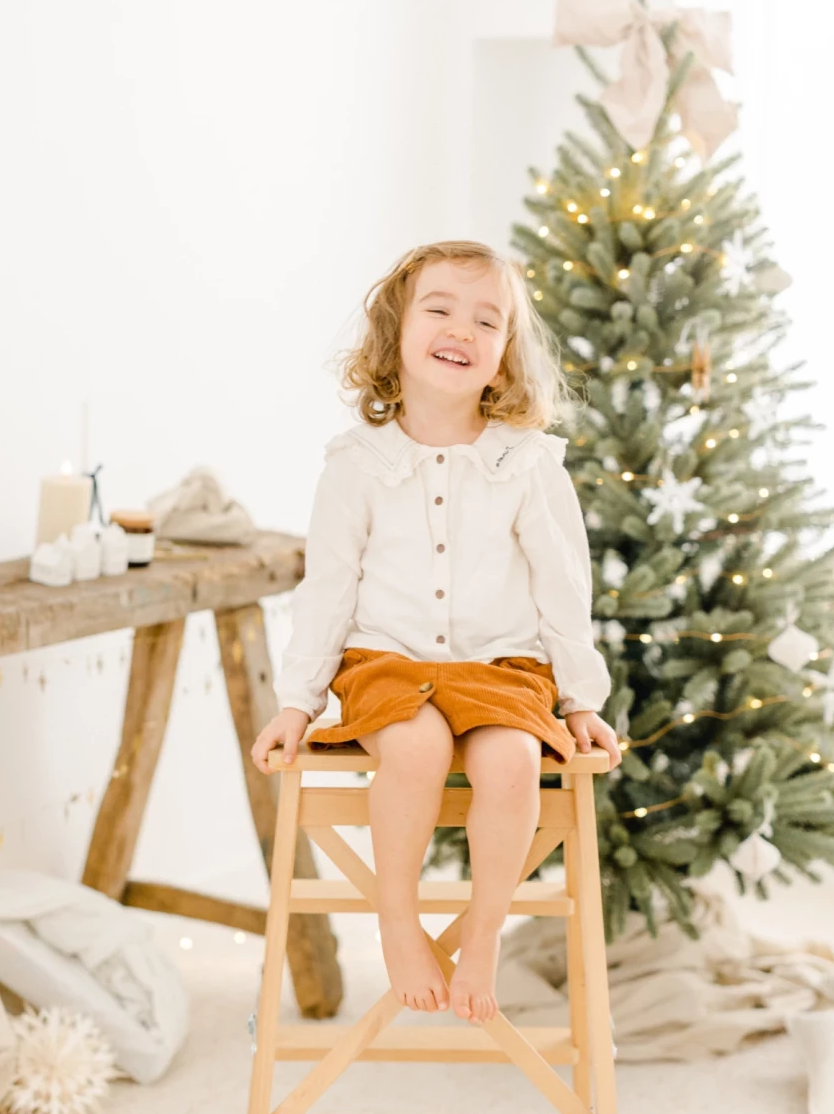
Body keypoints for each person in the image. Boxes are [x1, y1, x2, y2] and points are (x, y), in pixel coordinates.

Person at [250, 241, 621, 1024]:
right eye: (440, 308)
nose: (462, 329)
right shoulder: (356, 464)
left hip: (502, 667)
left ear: (505, 355)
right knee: (415, 751)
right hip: (384, 662)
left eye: (488, 320)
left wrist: (581, 699)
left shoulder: (527, 464)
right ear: (397, 333)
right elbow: (329, 587)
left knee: (513, 764)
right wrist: (297, 701)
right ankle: (397, 921)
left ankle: (483, 936)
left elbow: (563, 588)